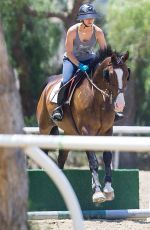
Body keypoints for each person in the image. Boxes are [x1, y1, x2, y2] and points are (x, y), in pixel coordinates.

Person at [52, 3, 123, 122]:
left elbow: (105, 53)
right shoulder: (72, 31)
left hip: (90, 59)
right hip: (71, 59)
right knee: (66, 80)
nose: (90, 19)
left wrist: (114, 62)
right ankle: (59, 108)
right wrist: (79, 65)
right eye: (88, 17)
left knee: (105, 78)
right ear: (82, 18)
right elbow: (69, 52)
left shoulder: (98, 32)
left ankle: (112, 109)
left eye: (92, 17)